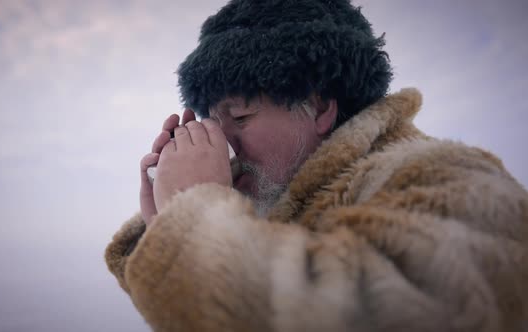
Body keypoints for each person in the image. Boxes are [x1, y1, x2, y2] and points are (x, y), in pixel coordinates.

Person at [105, 0, 528, 331]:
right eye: (214, 122)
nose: (223, 145)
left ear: (320, 106)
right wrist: (167, 227)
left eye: (241, 118)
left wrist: (196, 217)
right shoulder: (280, 210)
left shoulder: (457, 181)